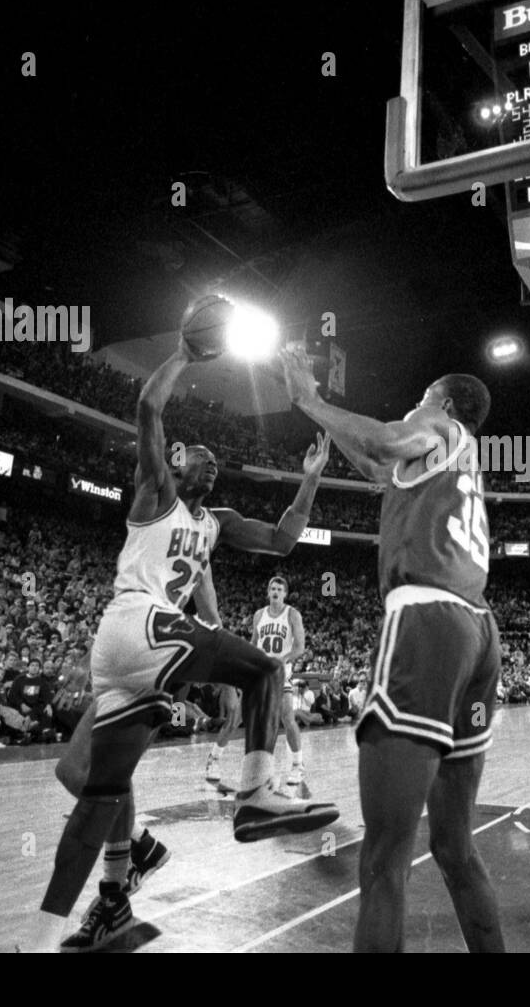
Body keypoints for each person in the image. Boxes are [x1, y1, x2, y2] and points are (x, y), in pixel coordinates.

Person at [22, 337, 339, 953]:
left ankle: (95, 900)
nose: (211, 463)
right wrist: (185, 354)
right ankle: (236, 803)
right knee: (84, 772)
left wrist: (309, 480)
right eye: (201, 455)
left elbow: (282, 540)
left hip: (153, 648)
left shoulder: (216, 522)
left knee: (100, 786)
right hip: (137, 628)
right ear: (175, 459)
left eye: (217, 462)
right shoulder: (156, 490)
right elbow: (148, 406)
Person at [281, 347, 504, 953]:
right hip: (478, 632)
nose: (415, 404)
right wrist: (324, 425)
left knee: (383, 861)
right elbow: (379, 465)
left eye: (424, 396)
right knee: (454, 848)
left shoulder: (436, 423)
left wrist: (308, 398)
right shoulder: (458, 457)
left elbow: (383, 443)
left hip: (426, 622)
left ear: (444, 403)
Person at [206, 575, 307, 789]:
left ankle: (298, 765)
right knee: (235, 718)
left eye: (279, 589)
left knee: (287, 718)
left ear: (285, 594)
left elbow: (299, 647)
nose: (275, 591)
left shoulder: (292, 614)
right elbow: (254, 643)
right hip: (258, 673)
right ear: (268, 592)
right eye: (272, 588)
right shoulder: (259, 615)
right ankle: (213, 759)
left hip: (279, 673)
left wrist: (282, 659)